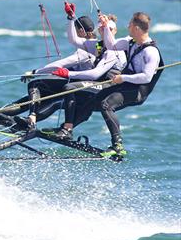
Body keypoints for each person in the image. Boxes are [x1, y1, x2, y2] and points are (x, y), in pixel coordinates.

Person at [45, 11, 163, 158]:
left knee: (106, 105)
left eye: (130, 25)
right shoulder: (130, 42)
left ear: (137, 28)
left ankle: (117, 146)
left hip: (138, 90)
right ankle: (66, 129)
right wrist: (106, 26)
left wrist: (123, 77)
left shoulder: (151, 52)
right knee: (93, 100)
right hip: (125, 85)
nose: (127, 26)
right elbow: (111, 45)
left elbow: (146, 77)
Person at [0, 11, 99, 126]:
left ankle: (31, 118)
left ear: (81, 31)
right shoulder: (94, 45)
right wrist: (70, 18)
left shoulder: (85, 51)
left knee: (36, 84)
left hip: (77, 91)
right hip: (75, 87)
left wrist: (35, 72)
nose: (73, 35)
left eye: (76, 31)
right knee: (29, 99)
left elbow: (60, 64)